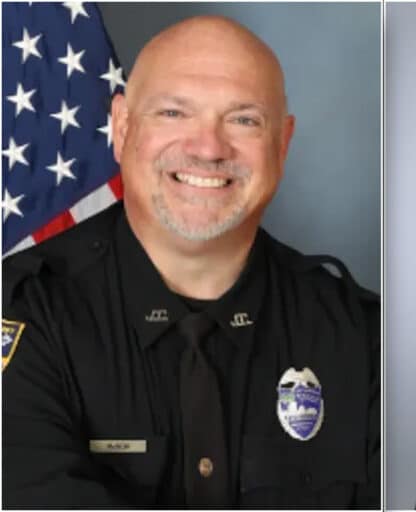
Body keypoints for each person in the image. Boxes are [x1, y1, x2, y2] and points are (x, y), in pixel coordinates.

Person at [2, 16, 380, 508]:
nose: (208, 148)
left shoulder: (360, 334)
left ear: (282, 145)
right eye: (174, 113)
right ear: (120, 127)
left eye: (244, 119)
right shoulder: (27, 311)